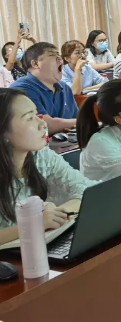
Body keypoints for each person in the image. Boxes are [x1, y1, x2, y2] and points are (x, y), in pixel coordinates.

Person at [0, 89, 97, 241]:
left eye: (37, 114)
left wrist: (56, 214)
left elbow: (87, 190)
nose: (42, 124)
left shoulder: (41, 155)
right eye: (30, 118)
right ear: (4, 132)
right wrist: (34, 224)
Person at [9, 42, 78, 135]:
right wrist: (81, 123)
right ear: (35, 63)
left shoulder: (64, 87)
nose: (59, 58)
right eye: (52, 55)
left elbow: (77, 118)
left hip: (67, 144)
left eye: (58, 54)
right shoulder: (21, 89)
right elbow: (45, 125)